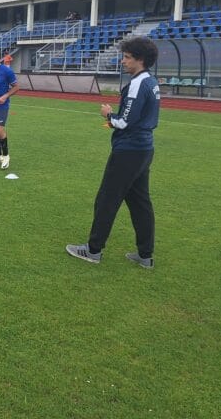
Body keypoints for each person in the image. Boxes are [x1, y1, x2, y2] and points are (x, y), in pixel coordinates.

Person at [66, 37, 160, 269]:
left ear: (140, 60)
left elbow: (124, 122)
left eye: (127, 57)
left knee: (107, 199)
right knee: (140, 203)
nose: (123, 61)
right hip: (144, 148)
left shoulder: (139, 83)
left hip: (129, 150)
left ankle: (93, 250)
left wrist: (108, 115)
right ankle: (145, 255)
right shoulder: (151, 81)